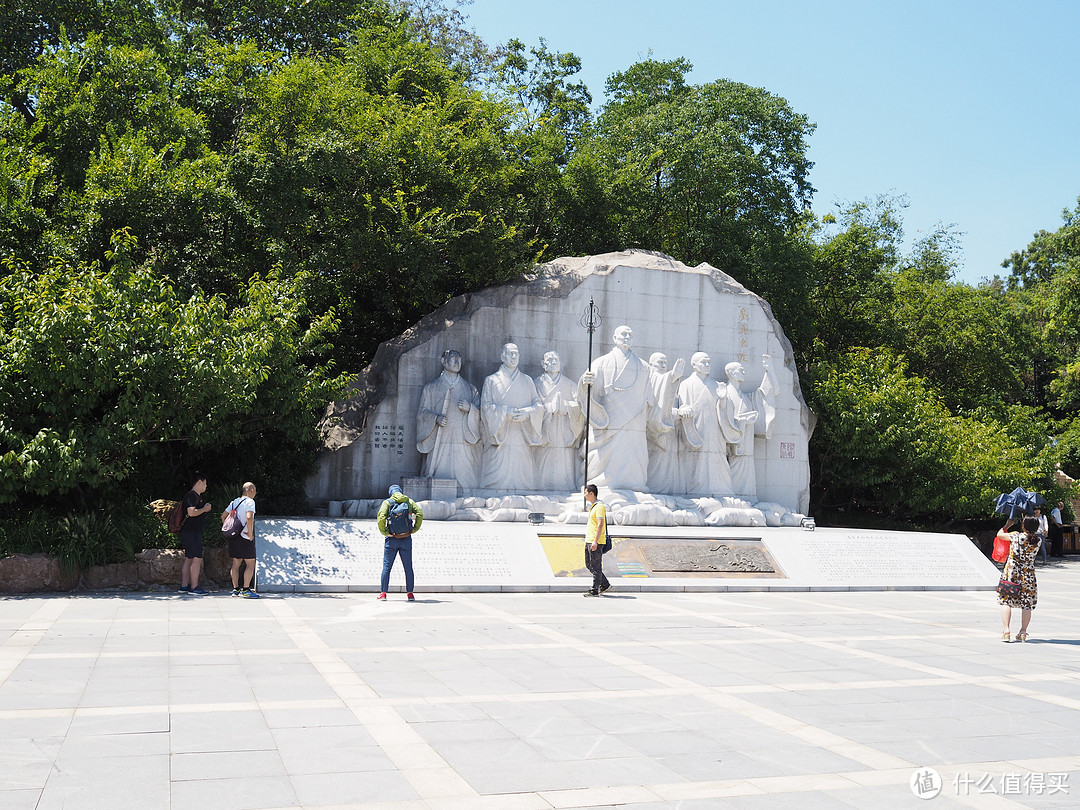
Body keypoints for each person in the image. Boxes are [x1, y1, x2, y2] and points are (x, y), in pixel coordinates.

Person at [577, 325, 660, 491]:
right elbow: (587, 391)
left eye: (630, 334)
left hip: (635, 421)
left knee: (632, 452)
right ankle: (602, 484)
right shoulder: (601, 363)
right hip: (609, 420)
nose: (627, 337)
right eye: (623, 334)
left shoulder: (643, 366)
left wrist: (673, 378)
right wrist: (585, 383)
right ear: (614, 338)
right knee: (606, 457)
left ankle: (634, 484)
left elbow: (657, 387)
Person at [416, 349, 482, 493]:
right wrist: (435, 419)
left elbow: (480, 412)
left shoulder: (470, 389)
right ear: (443, 362)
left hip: (462, 439)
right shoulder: (431, 388)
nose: (457, 362)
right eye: (453, 359)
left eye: (459, 359)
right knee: (439, 468)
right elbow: (422, 413)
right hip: (440, 437)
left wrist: (470, 408)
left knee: (465, 471)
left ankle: (467, 493)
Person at [480, 343, 544, 491]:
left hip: (521, 435)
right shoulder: (491, 380)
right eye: (510, 354)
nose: (514, 357)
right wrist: (504, 412)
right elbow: (485, 407)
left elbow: (538, 405)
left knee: (522, 468)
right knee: (497, 472)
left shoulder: (527, 380)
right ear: (502, 357)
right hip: (500, 434)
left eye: (516, 354)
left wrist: (528, 413)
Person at [718, 355, 777, 499]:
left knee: (746, 467)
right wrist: (743, 420)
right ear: (731, 374)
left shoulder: (745, 396)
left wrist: (769, 371)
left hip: (747, 441)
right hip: (734, 443)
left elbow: (764, 394)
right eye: (740, 370)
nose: (744, 372)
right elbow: (723, 417)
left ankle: (746, 497)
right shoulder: (727, 394)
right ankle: (733, 497)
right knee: (734, 467)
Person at [676, 352, 733, 497]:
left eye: (708, 362)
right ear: (694, 365)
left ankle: (720, 490)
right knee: (696, 461)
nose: (707, 365)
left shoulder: (715, 385)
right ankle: (695, 491)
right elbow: (682, 406)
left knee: (717, 457)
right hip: (695, 428)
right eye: (703, 362)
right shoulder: (686, 384)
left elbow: (722, 408)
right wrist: (684, 410)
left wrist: (723, 399)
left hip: (715, 430)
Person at [533, 351, 584, 492]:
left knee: (564, 462)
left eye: (556, 359)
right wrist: (549, 408)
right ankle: (540, 488)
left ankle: (566, 488)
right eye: (549, 360)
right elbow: (531, 407)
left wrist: (566, 407)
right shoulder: (536, 384)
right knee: (543, 462)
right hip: (545, 430)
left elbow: (580, 406)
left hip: (564, 431)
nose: (553, 362)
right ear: (543, 364)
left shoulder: (569, 384)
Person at [646, 352, 685, 495]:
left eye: (665, 363)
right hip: (653, 430)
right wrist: (673, 376)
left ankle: (668, 493)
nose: (663, 366)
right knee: (655, 463)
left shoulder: (664, 381)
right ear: (651, 364)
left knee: (667, 464)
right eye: (659, 362)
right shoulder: (650, 380)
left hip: (668, 431)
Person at [377, 484, 424, 601]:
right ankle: (410, 593)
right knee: (408, 567)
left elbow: (381, 517)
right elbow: (420, 514)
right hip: (406, 538)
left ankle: (383, 593)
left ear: (391, 493)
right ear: (400, 492)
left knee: (387, 567)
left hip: (392, 538)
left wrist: (385, 532)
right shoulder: (409, 501)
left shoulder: (387, 502)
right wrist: (415, 529)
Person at [998, 516, 1041, 642]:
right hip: (1028, 574)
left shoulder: (1015, 536)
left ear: (1023, 526)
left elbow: (999, 535)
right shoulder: (1038, 540)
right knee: (1027, 603)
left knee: (1006, 600)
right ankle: (1023, 632)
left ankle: (1006, 630)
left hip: (1011, 572)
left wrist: (1007, 525)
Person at [178, 474, 212, 595]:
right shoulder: (192, 496)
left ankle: (184, 586)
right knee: (197, 558)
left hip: (189, 532)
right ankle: (194, 587)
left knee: (189, 558)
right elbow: (191, 512)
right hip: (192, 533)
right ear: (199, 482)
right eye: (205, 483)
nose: (206, 486)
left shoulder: (193, 496)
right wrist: (205, 509)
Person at [224, 482, 259, 598]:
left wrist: (231, 528)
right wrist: (250, 533)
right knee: (250, 562)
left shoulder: (234, 502)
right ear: (252, 490)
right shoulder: (250, 502)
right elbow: (249, 517)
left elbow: (223, 516)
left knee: (236, 563)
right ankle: (245, 589)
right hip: (244, 536)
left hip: (234, 536)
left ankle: (235, 589)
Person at [582, 483, 610, 597]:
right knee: (589, 564)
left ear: (591, 493)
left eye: (585, 493)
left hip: (595, 541)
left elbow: (600, 524)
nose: (584, 495)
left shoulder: (599, 507)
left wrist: (595, 541)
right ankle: (604, 584)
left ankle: (595, 589)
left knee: (596, 565)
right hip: (589, 540)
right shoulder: (593, 506)